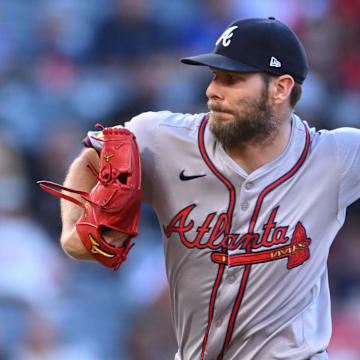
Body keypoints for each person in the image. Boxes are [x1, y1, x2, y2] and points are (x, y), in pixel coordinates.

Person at [59, 17, 360, 360]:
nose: (213, 90)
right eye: (215, 76)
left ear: (280, 88)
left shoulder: (334, 157)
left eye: (232, 79)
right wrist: (73, 230)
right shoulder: (161, 138)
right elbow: (92, 157)